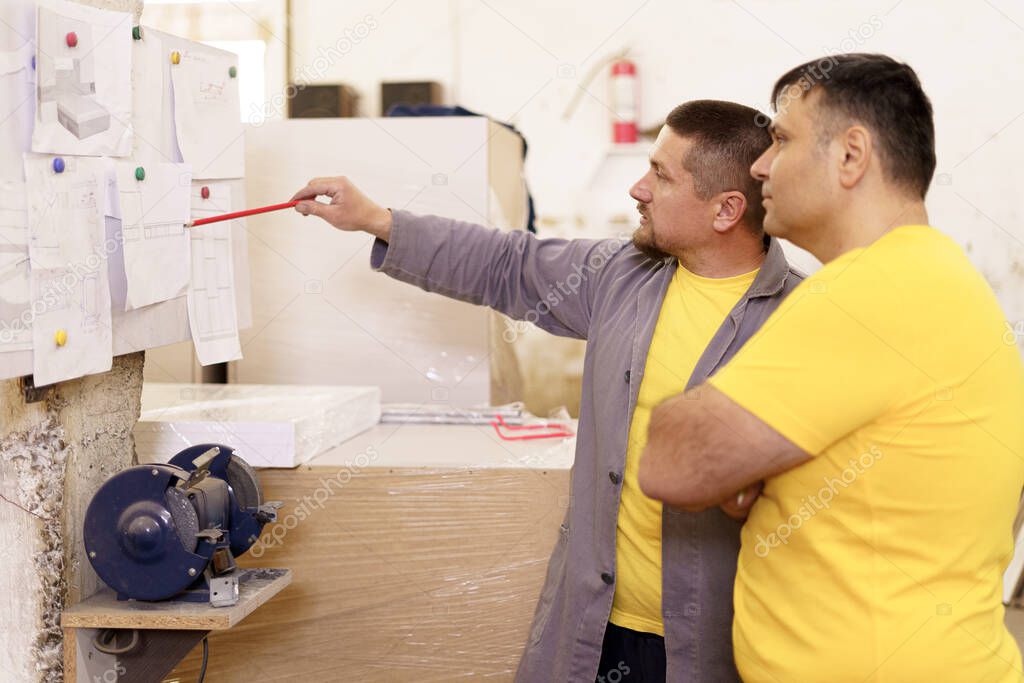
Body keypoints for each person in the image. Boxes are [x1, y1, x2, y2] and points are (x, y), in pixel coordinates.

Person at [291, 100, 803, 682]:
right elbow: (506, 262)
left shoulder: (799, 321)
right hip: (596, 628)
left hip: (716, 645)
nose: (638, 188)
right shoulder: (623, 276)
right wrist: (379, 219)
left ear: (726, 210)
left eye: (661, 174)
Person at [638, 54, 1024, 681]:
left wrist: (721, 445)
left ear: (851, 156)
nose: (761, 163)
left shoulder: (871, 292)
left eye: (782, 140)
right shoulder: (930, 275)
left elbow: (671, 462)